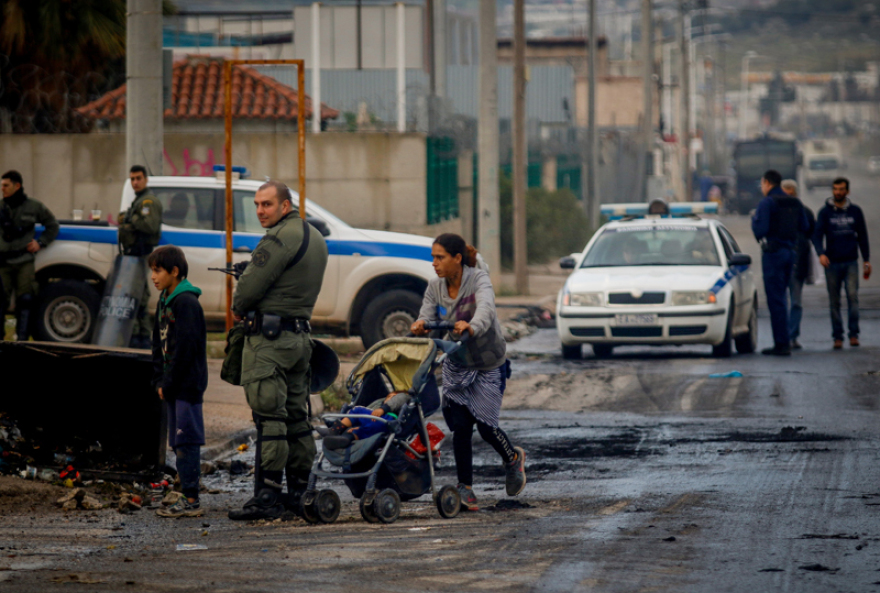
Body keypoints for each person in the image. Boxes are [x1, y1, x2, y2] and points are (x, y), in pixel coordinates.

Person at [228, 180, 329, 521]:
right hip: (301, 340)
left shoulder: (277, 237)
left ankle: (267, 497)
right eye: (257, 204)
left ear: (285, 206)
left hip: (270, 343)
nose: (259, 211)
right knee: (298, 419)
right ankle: (300, 492)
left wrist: (240, 298)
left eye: (267, 204)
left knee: (271, 419)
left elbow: (247, 293)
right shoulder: (315, 236)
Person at [411, 233, 526, 511]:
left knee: (486, 427)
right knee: (460, 427)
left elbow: (486, 308)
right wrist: (420, 323)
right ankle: (466, 489)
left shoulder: (478, 279)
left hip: (488, 363)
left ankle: (512, 458)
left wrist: (471, 326)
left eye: (440, 257)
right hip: (457, 362)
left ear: (457, 259)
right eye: (433, 258)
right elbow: (426, 314)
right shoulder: (434, 286)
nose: (434, 263)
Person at [148, 245, 208, 518]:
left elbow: (187, 349)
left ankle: (192, 499)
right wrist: (159, 378)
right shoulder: (165, 299)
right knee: (177, 440)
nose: (153, 276)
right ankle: (184, 489)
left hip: (187, 384)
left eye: (158, 270)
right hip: (172, 383)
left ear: (175, 271)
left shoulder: (186, 302)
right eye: (152, 270)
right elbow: (157, 344)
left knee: (187, 441)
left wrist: (170, 382)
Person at [751, 169, 809, 356]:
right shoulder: (794, 201)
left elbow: (760, 231)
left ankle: (782, 344)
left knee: (776, 299)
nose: (762, 187)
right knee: (783, 297)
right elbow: (805, 227)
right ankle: (785, 340)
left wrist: (754, 219)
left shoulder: (767, 203)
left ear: (767, 183)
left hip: (773, 254)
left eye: (762, 184)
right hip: (790, 253)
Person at [812, 177, 870, 350]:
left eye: (841, 189)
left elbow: (863, 236)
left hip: (851, 261)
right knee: (834, 301)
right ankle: (838, 336)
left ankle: (854, 334)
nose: (838, 192)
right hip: (832, 263)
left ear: (847, 191)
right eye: (835, 189)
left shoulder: (855, 211)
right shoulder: (825, 212)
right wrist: (821, 254)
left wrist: (866, 260)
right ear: (832, 190)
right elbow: (816, 236)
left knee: (853, 298)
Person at [0, 170, 59, 341]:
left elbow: (52, 225)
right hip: (3, 261)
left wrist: (40, 243)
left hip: (24, 261)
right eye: (1, 185)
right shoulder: (1, 207)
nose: (2, 189)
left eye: (6, 185)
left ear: (17, 186)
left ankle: (23, 339)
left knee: (25, 300)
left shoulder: (34, 206)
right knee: (0, 301)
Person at [118, 165, 163, 349]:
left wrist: (132, 219)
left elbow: (149, 226)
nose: (135, 182)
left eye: (138, 178)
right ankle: (138, 336)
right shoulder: (139, 201)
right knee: (136, 294)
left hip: (142, 254)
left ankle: (142, 338)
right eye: (132, 179)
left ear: (146, 179)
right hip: (134, 255)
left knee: (139, 297)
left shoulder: (147, 202)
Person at [781, 179, 815, 350]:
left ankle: (792, 336)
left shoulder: (805, 212)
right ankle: (782, 337)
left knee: (795, 302)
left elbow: (811, 234)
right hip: (780, 263)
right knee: (781, 302)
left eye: (790, 191)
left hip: (798, 264)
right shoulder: (776, 212)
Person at [321, 390, 409, 450]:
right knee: (358, 432)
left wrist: (383, 409)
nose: (390, 398)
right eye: (388, 397)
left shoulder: (402, 398)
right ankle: (344, 440)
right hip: (380, 430)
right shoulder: (378, 408)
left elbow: (398, 400)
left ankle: (334, 429)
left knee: (357, 410)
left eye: (392, 396)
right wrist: (359, 427)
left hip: (388, 422)